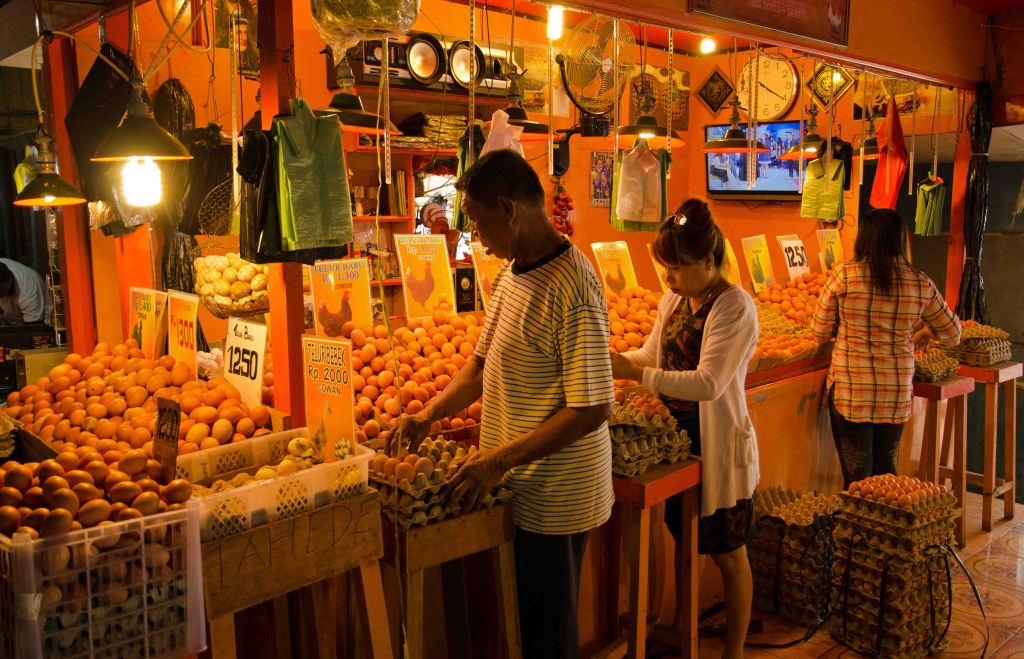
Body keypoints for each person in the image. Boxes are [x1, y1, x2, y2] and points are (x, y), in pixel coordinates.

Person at [389, 148, 614, 659]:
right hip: (519, 484)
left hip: (558, 496)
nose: (479, 240)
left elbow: (592, 407)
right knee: (523, 624)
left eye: (480, 224)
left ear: (509, 209)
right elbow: (479, 364)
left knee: (548, 636)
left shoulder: (573, 286)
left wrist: (496, 461)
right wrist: (428, 415)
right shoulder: (515, 275)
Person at [610, 198, 759, 659]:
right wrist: (614, 360)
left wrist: (638, 376)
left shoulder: (734, 308)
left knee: (729, 552)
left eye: (677, 267)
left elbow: (709, 383)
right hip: (675, 446)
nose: (668, 277)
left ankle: (733, 650)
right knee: (685, 541)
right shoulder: (674, 299)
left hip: (716, 444)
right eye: (665, 267)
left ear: (709, 261)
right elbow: (652, 356)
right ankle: (684, 634)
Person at [811, 208, 960, 487]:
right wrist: (926, 330)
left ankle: (855, 528)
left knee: (856, 478)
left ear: (863, 239)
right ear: (900, 241)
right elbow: (953, 334)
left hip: (851, 391)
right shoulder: (919, 282)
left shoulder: (844, 276)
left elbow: (818, 331)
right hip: (895, 393)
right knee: (886, 475)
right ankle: (883, 528)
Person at [0, 259, 52, 325]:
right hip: (11, 314)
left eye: (1, 289)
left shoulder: (28, 290)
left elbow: (32, 327)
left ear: (10, 279)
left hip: (36, 318)